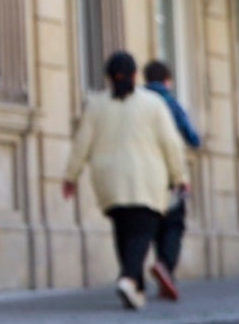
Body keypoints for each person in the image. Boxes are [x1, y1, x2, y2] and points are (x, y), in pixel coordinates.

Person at [64, 48, 194, 309]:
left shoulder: (96, 105)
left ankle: (135, 289)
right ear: (135, 75)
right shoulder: (153, 104)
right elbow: (170, 143)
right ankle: (128, 277)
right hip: (145, 179)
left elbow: (81, 143)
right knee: (141, 232)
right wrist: (180, 175)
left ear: (108, 78)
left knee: (123, 229)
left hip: (108, 180)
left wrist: (71, 176)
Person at [143, 53, 201, 296]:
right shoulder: (170, 103)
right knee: (174, 224)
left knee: (154, 223)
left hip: (144, 172)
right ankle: (165, 266)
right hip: (169, 172)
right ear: (167, 80)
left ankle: (161, 271)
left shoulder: (138, 101)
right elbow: (192, 137)